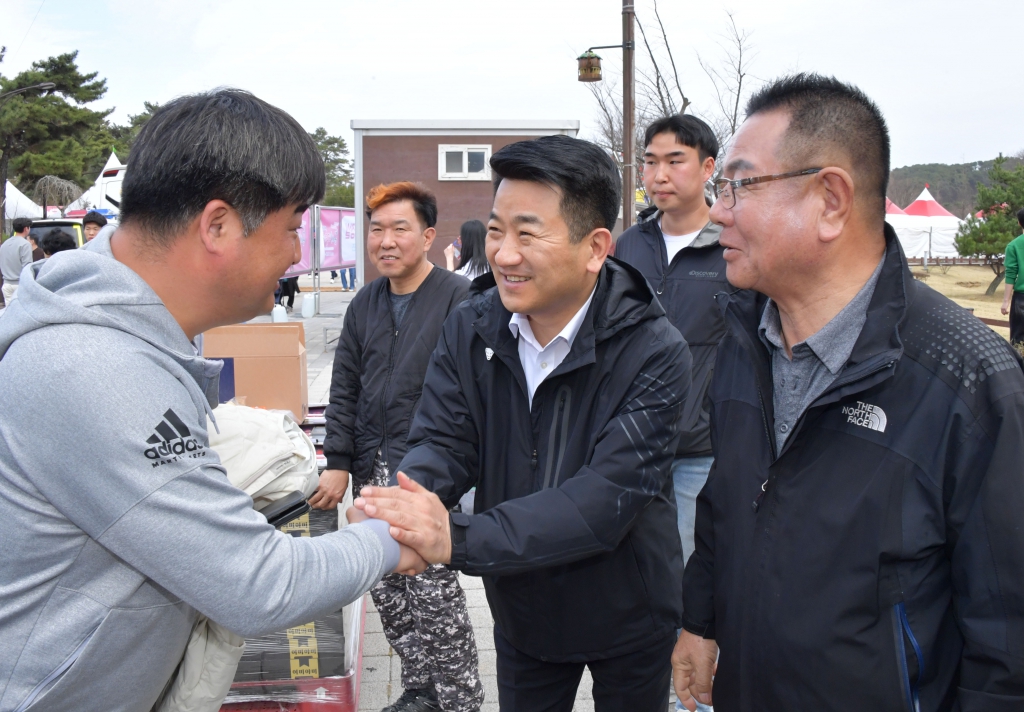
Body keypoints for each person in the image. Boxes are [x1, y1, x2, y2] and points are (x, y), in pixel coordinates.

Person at [0, 89, 426, 712]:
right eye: (290, 229)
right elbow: (258, 585)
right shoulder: (97, 369)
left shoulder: (127, 337)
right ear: (218, 226)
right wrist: (389, 538)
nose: (295, 255)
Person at [668, 74, 1024, 712]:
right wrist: (701, 621)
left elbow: (1007, 631)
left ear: (831, 199)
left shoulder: (966, 380)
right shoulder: (744, 340)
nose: (717, 210)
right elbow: (726, 498)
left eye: (739, 186)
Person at [354, 135, 692, 712]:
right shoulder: (473, 325)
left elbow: (601, 501)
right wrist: (409, 503)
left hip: (629, 608)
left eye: (528, 234)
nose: (504, 254)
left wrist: (453, 538)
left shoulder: (654, 350)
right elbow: (444, 437)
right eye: (495, 230)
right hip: (523, 608)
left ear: (595, 247)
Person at [317, 182, 482, 712]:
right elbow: (344, 383)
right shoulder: (365, 301)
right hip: (370, 463)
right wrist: (338, 461)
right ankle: (420, 688)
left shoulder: (460, 297)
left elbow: (475, 391)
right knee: (385, 587)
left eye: (399, 228)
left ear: (429, 236)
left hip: (426, 470)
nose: (385, 241)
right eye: (377, 229)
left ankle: (459, 698)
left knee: (432, 591)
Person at [615, 115, 754, 620]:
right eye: (650, 162)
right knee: (634, 578)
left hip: (702, 450)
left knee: (694, 579)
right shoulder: (627, 247)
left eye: (675, 161)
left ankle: (689, 696)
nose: (659, 175)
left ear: (708, 167)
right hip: (632, 447)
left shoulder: (733, 247)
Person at [1000, 207, 1024, 345]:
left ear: (1019, 223)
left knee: (1019, 341)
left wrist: (1005, 301)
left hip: (1021, 298)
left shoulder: (1013, 246)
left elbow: (1010, 274)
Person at [0, 217, 34, 303]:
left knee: (10, 312)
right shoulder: (25, 244)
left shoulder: (5, 244)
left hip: (6, 284)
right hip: (20, 284)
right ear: (26, 228)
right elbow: (27, 266)